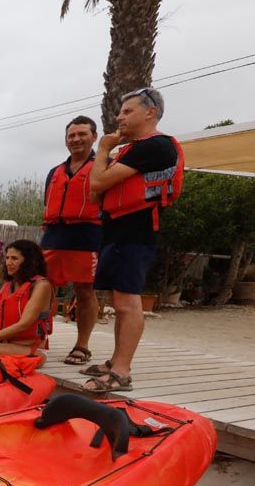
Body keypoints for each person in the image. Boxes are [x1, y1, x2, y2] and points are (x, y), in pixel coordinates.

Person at [83, 86, 184, 393]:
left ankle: (123, 372)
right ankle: (115, 361)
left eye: (127, 111)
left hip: (137, 230)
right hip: (117, 228)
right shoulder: (131, 150)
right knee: (119, 300)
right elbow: (95, 191)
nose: (119, 117)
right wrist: (106, 160)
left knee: (128, 303)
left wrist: (102, 151)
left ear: (150, 112)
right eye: (120, 112)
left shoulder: (156, 146)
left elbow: (98, 180)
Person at [41, 116, 102, 366]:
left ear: (94, 137)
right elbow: (47, 204)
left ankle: (82, 345)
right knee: (42, 288)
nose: (76, 139)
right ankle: (36, 338)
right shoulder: (54, 172)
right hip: (54, 235)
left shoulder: (104, 166)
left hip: (87, 235)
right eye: (71, 135)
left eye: (82, 134)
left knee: (84, 291)